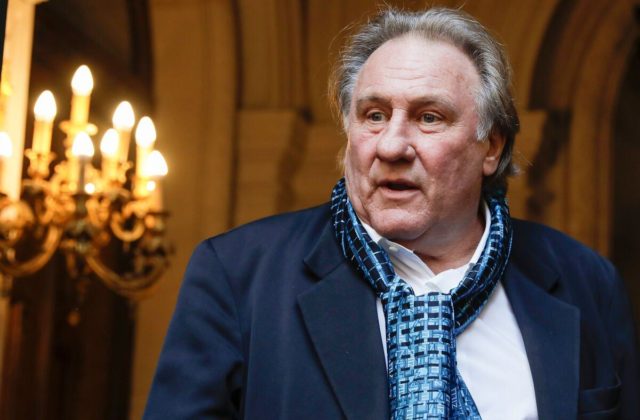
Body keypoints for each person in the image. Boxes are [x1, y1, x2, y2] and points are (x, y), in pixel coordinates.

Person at [144, 7, 639, 420]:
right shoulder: (238, 276)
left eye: (429, 117)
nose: (392, 145)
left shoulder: (586, 283)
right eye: (374, 115)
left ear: (491, 146)